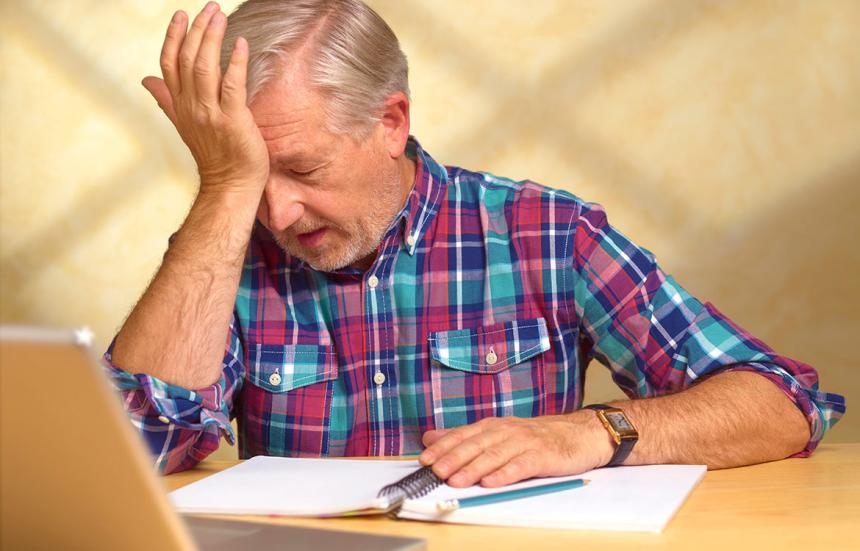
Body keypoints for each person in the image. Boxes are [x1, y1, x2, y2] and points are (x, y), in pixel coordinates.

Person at [105, 0, 845, 487]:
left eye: (301, 168)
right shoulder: (224, 250)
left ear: (389, 122)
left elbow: (784, 402)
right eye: (249, 173)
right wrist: (221, 192)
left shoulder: (545, 234)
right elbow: (130, 454)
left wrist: (597, 431)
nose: (277, 209)